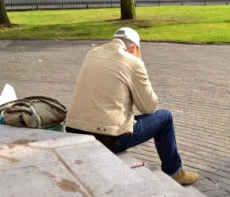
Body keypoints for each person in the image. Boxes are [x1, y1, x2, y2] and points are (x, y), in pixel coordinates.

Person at [66, 27, 199, 186]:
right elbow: (148, 108)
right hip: (105, 138)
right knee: (165, 118)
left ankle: (175, 171)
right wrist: (139, 65)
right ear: (134, 48)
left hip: (74, 131)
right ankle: (175, 172)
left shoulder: (92, 54)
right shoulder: (133, 62)